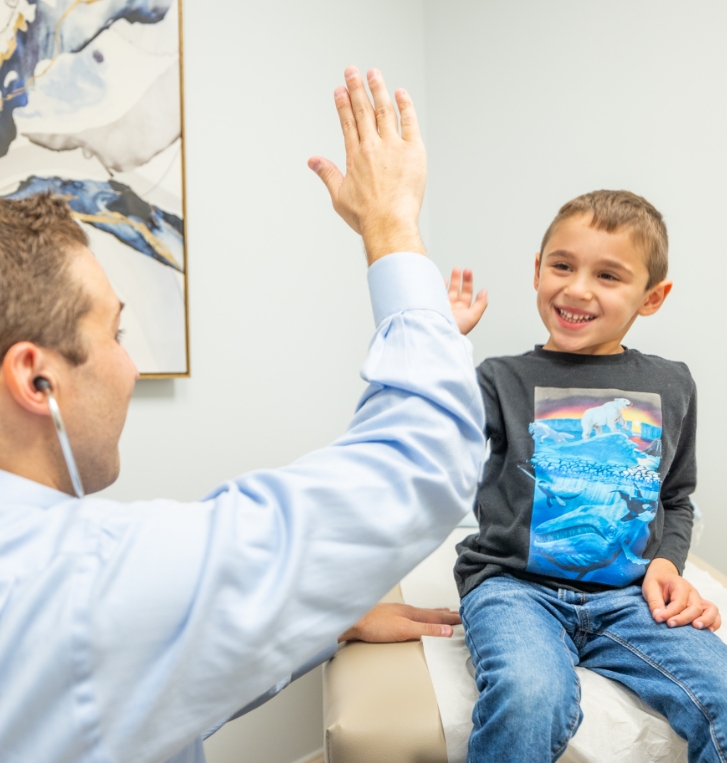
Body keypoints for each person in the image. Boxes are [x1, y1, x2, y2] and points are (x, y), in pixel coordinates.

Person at [0, 67, 489, 763]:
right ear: (35, 376)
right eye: (113, 333)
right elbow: (423, 457)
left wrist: (320, 620)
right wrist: (391, 225)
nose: (130, 366)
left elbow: (122, 687)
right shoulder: (80, 581)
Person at [453, 190, 727, 762]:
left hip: (628, 599)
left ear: (652, 298)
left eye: (608, 275)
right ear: (537, 271)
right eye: (562, 266)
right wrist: (443, 352)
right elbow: (428, 445)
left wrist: (665, 564)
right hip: (514, 589)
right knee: (530, 695)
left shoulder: (673, 385)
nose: (577, 289)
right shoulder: (498, 379)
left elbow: (675, 497)